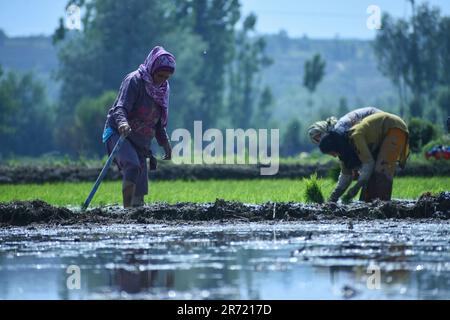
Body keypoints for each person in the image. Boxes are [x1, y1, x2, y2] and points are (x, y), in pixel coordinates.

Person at [102, 46, 175, 208]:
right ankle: (126, 211)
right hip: (119, 134)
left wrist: (166, 145)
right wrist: (122, 123)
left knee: (140, 190)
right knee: (132, 165)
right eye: (159, 75)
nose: (161, 80)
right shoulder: (134, 80)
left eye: (166, 77)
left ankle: (135, 212)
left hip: (141, 141)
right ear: (152, 68)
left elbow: (157, 122)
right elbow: (120, 108)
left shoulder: (163, 90)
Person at [318, 112, 410, 202]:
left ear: (335, 147)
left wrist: (356, 187)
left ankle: (383, 207)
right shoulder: (344, 153)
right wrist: (333, 198)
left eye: (332, 153)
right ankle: (371, 204)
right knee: (368, 184)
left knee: (381, 169)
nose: (334, 156)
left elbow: (368, 163)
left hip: (393, 127)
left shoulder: (355, 136)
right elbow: (346, 176)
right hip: (381, 135)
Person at [307, 107, 382, 145]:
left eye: (319, 135)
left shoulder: (338, 130)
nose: (320, 140)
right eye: (317, 140)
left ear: (324, 130)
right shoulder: (337, 130)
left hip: (379, 120)